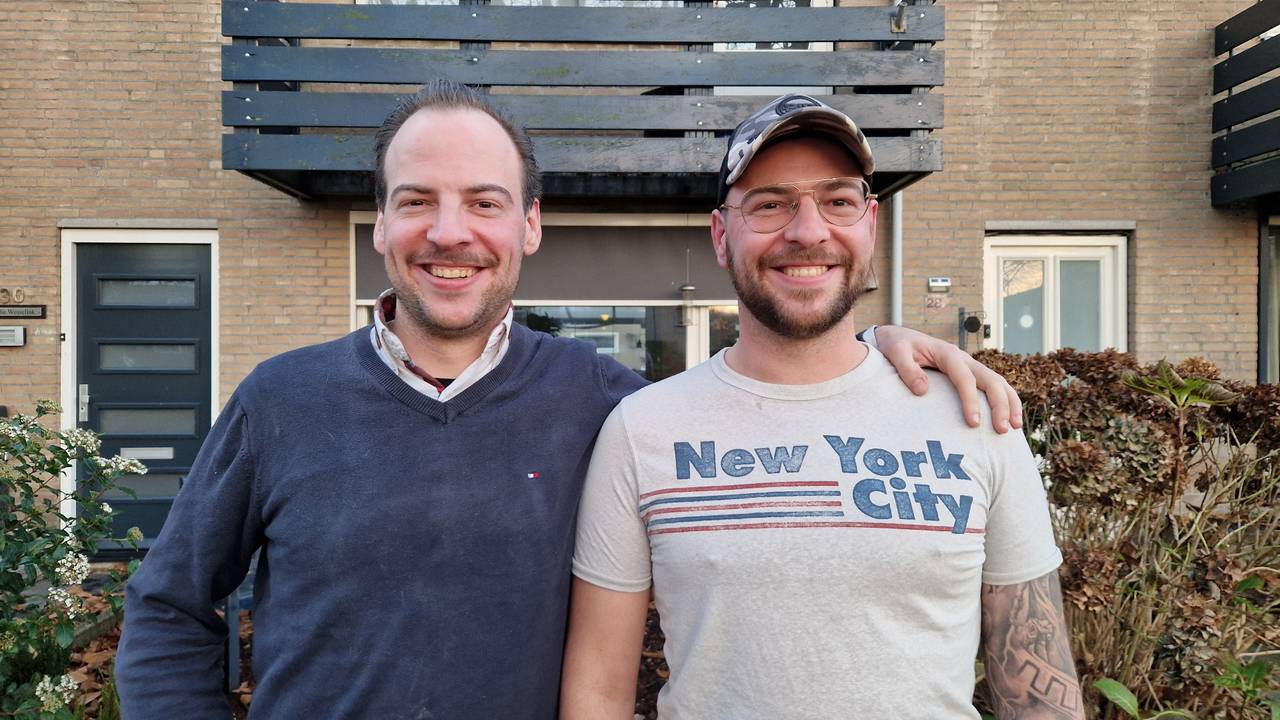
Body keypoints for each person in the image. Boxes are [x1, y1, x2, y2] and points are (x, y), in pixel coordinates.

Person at [116, 80, 1024, 719]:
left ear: (530, 223)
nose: (449, 232)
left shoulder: (609, 406)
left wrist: (873, 348)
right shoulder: (282, 400)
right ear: (382, 223)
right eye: (416, 201)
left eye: (483, 201)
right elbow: (167, 608)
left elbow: (768, 392)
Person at [561, 93, 1084, 720]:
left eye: (837, 201)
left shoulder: (975, 416)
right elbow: (598, 687)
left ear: (870, 222)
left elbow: (1039, 688)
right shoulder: (643, 428)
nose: (808, 231)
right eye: (770, 205)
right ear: (722, 236)